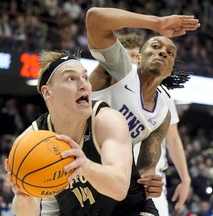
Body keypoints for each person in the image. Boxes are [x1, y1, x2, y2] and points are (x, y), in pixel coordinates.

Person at [86, 6, 200, 215]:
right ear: (138, 57)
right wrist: (157, 23)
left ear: (170, 70)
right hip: (76, 164)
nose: (163, 52)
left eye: (170, 53)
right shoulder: (121, 71)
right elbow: (94, 18)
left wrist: (152, 183)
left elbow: (147, 168)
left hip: (113, 181)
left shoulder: (162, 114)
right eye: (155, 46)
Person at [5, 50, 136, 215]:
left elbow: (120, 187)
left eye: (85, 77)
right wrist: (24, 195)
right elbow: (28, 213)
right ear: (47, 92)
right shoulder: (30, 140)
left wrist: (86, 166)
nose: (84, 84)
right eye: (71, 78)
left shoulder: (106, 120)